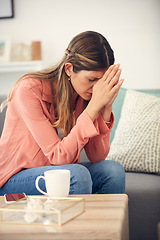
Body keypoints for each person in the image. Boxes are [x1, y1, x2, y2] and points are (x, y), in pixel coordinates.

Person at [0, 31, 125, 196]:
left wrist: (106, 107)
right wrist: (93, 107)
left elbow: (97, 156)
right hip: (14, 178)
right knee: (76, 176)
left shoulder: (84, 94)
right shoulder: (28, 90)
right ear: (69, 69)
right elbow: (58, 158)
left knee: (112, 171)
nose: (97, 89)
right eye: (92, 80)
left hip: (55, 172)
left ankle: (102, 222)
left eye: (101, 82)